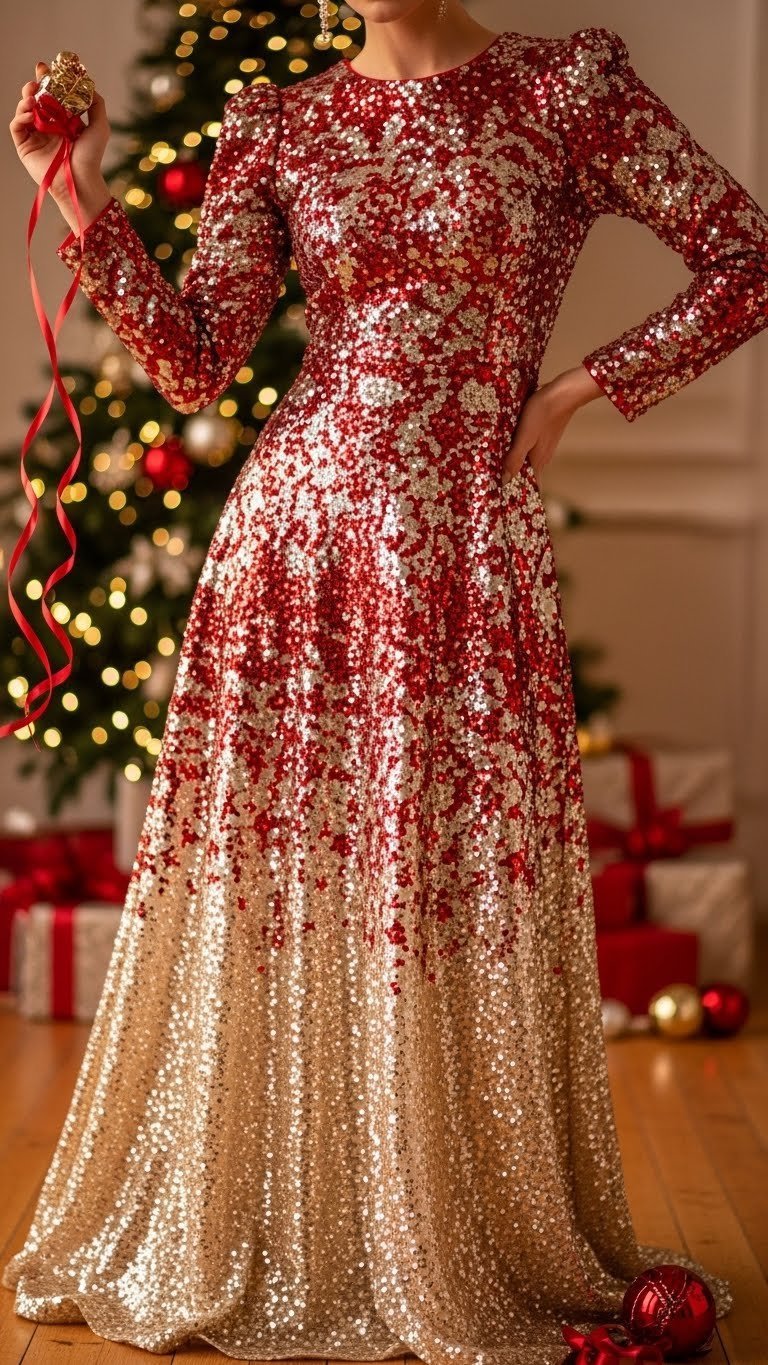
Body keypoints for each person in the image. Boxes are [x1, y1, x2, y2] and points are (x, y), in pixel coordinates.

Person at [4, 1, 765, 1360]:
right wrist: (78, 194)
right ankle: (306, 1226)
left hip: (466, 537)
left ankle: (455, 1220)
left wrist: (574, 393)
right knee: (303, 884)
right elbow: (194, 358)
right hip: (294, 545)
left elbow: (746, 257)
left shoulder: (563, 87)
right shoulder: (281, 121)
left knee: (448, 881)